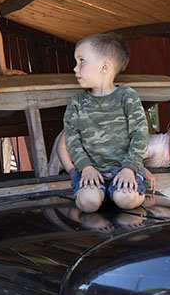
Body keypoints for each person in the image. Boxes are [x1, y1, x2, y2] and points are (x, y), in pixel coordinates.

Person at [63, 34, 148, 213]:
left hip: (124, 169)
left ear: (105, 66)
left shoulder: (127, 96)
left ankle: (139, 192)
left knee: (125, 199)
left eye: (81, 61)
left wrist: (129, 168)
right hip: (90, 171)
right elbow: (72, 139)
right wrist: (85, 167)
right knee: (88, 203)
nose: (75, 68)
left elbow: (140, 134)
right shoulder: (77, 102)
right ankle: (95, 193)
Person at [54, 109, 170, 193]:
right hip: (97, 152)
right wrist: (145, 172)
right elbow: (125, 157)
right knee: (56, 169)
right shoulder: (153, 146)